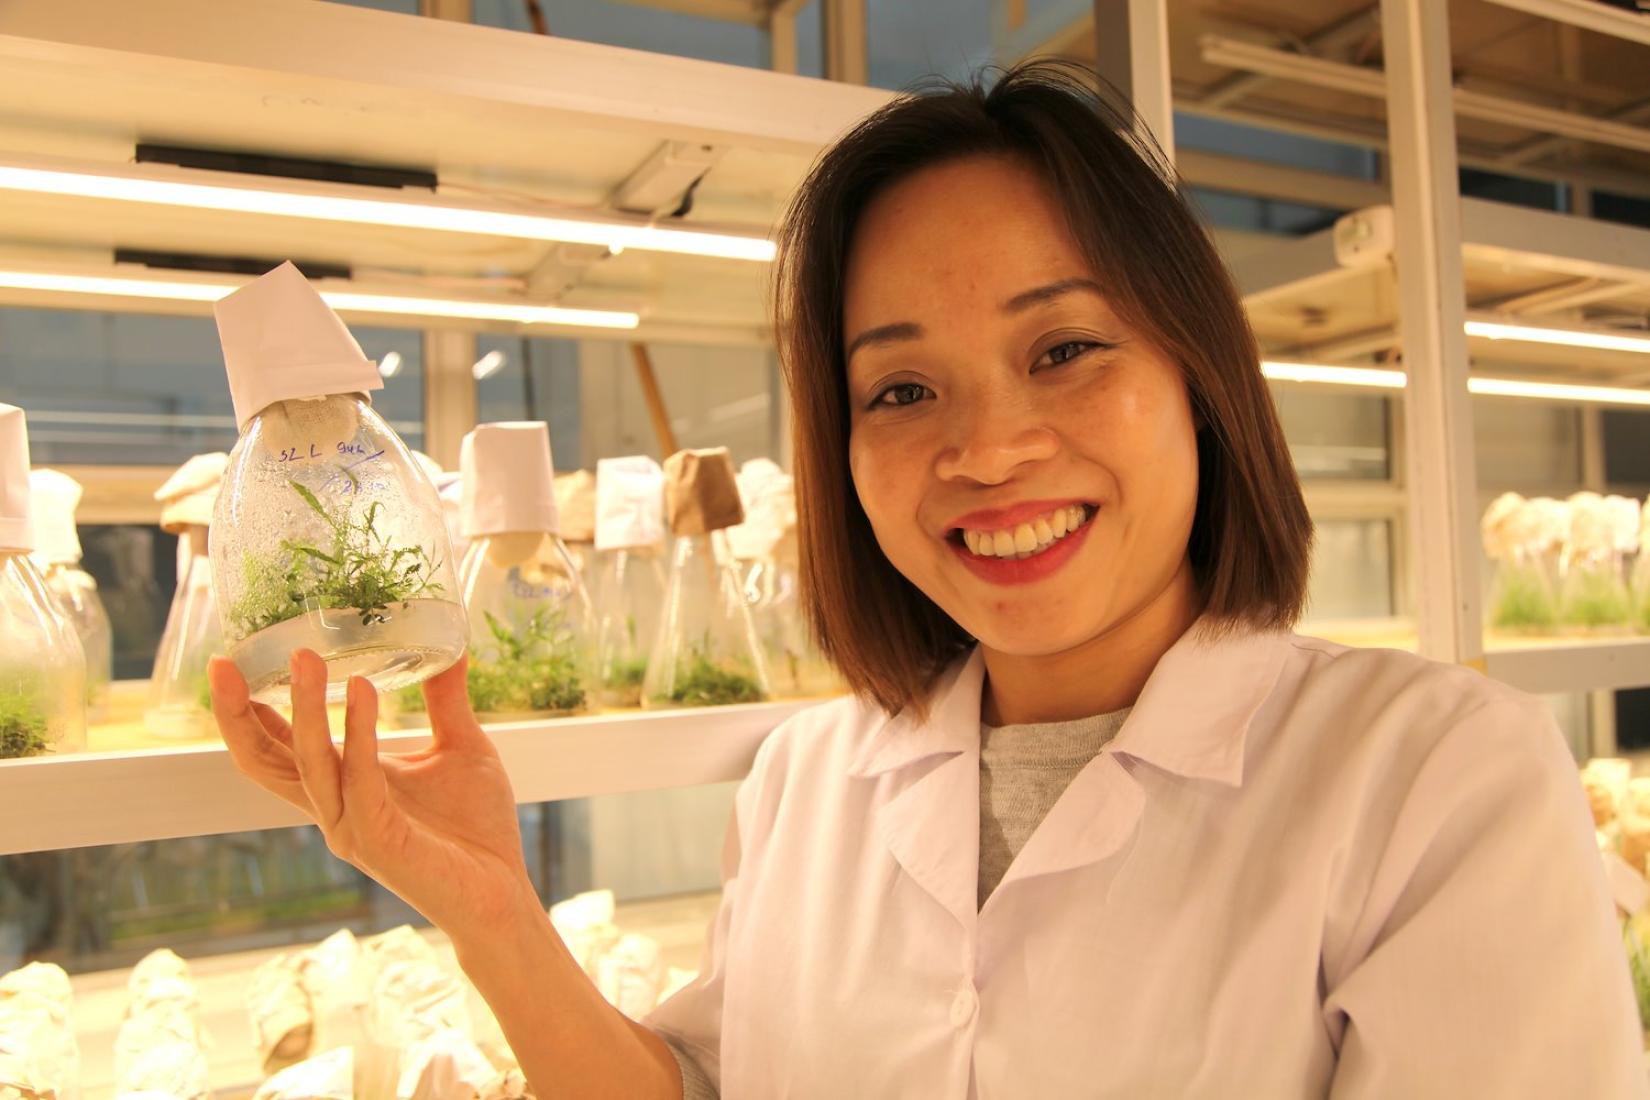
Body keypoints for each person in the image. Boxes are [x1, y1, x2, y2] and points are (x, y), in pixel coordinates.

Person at [209, 60, 1645, 1098]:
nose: (987, 447)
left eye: (1063, 349)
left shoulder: (1436, 781)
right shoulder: (809, 782)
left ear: (1196, 379)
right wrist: (487, 909)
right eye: (900, 389)